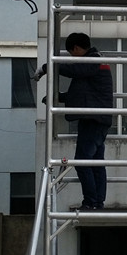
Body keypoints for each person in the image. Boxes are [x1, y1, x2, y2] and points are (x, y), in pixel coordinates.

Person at [36, 32, 114, 209]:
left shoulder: (93, 61)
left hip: (93, 119)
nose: (73, 58)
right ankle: (97, 203)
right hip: (96, 118)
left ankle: (91, 202)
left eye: (72, 53)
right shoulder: (95, 63)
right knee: (95, 163)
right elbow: (83, 93)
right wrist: (57, 97)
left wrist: (48, 67)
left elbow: (74, 71)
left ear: (77, 48)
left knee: (83, 162)